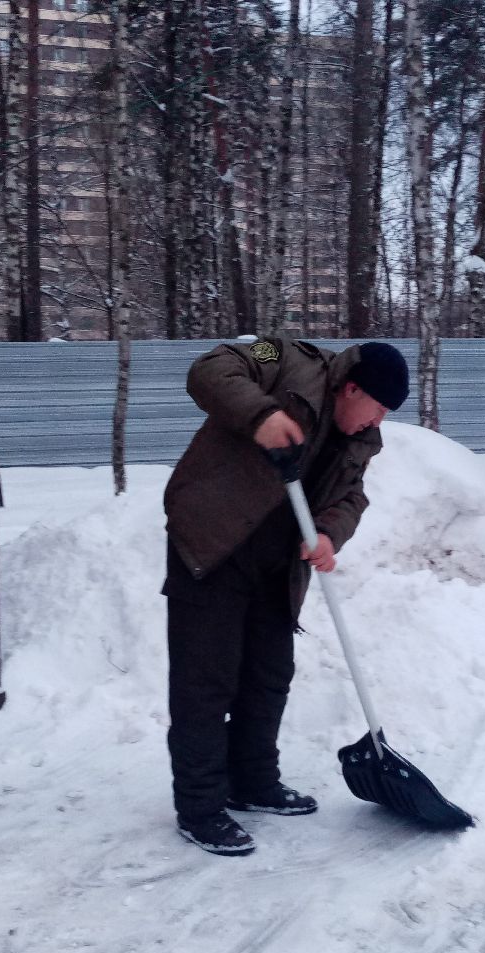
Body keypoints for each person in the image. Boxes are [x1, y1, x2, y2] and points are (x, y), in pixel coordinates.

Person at [162, 337, 409, 855]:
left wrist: (327, 533)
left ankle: (251, 781)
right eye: (378, 408)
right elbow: (211, 368)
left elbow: (351, 496)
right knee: (206, 683)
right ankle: (200, 808)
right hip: (213, 544)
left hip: (277, 567)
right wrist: (260, 416)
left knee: (268, 678)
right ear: (352, 388)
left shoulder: (361, 440)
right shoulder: (287, 362)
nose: (377, 422)